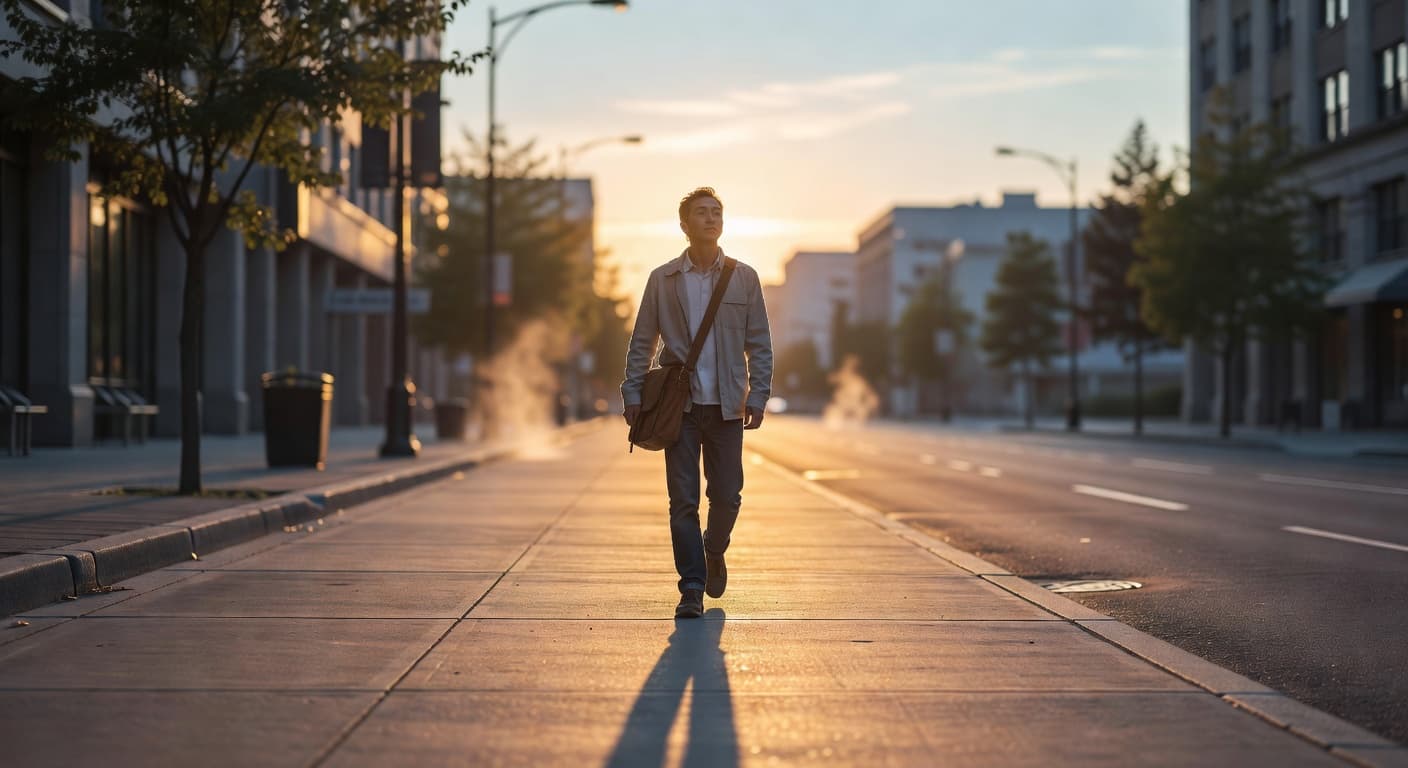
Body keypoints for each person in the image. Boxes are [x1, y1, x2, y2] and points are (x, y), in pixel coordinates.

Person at [622, 187, 773, 619]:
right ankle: (691, 587)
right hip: (680, 408)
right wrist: (632, 391)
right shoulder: (663, 279)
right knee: (683, 500)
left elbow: (759, 343)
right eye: (702, 213)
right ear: (685, 225)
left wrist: (758, 394)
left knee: (727, 496)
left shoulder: (744, 277)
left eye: (717, 212)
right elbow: (642, 341)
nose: (711, 219)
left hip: (727, 406)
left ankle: (714, 550)